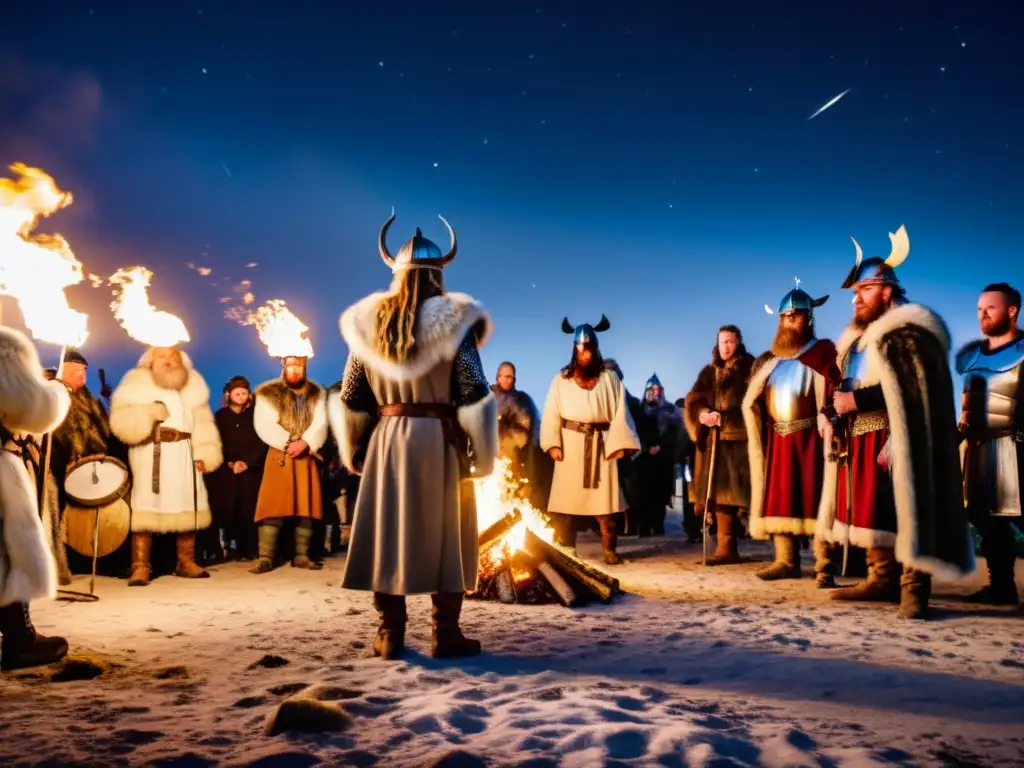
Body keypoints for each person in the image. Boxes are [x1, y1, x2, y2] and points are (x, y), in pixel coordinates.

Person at [330, 213, 497, 660]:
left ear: (395, 273)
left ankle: (390, 632)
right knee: (444, 532)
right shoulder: (456, 323)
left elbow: (351, 397)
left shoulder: (367, 324)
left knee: (390, 533)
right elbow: (475, 392)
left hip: (388, 441)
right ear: (439, 274)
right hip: (440, 443)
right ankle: (445, 633)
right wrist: (482, 452)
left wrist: (355, 448)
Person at [815, 225, 973, 618]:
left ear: (886, 290)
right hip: (862, 434)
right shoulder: (858, 340)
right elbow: (843, 383)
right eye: (854, 294)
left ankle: (913, 589)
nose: (856, 300)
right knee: (874, 512)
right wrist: (833, 412)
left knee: (909, 509)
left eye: (864, 290)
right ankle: (881, 578)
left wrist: (858, 399)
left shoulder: (908, 330)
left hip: (901, 434)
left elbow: (913, 388)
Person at [742, 282, 838, 582]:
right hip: (779, 441)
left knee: (818, 500)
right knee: (781, 500)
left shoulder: (823, 353)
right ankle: (786, 560)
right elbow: (754, 402)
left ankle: (825, 566)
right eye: (784, 317)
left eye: (794, 316)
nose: (788, 322)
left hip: (812, 439)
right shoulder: (770, 361)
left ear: (808, 318)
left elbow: (835, 389)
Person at [109, 346, 223, 586]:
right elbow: (121, 421)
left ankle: (185, 561)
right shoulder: (136, 381)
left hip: (185, 451)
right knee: (146, 505)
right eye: (162, 355)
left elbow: (202, 420)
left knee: (188, 503)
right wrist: (149, 413)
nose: (169, 360)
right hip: (151, 451)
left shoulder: (192, 383)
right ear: (152, 358)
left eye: (174, 355)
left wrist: (205, 450)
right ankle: (140, 566)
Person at [540, 316, 640, 564]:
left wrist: (619, 444)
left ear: (595, 348)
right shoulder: (560, 379)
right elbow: (551, 412)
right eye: (580, 348)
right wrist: (553, 444)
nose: (585, 352)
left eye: (588, 347)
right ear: (574, 349)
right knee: (566, 507)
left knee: (605, 507)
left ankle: (609, 550)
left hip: (601, 446)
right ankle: (568, 551)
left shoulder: (609, 379)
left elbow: (620, 412)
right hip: (570, 446)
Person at [0, 326, 71, 671]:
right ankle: (20, 640)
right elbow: (34, 410)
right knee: (9, 553)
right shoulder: (4, 350)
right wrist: (57, 391)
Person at [956, 282, 1023, 605]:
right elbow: (967, 405)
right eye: (980, 308)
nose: (983, 314)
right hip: (979, 449)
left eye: (991, 308)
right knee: (988, 521)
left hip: (1017, 445)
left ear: (1012, 311)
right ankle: (1002, 587)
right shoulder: (973, 356)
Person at [48, 347, 125, 582]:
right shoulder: (54, 393)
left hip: (90, 466)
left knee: (92, 513)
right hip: (60, 464)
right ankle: (60, 567)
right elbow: (55, 431)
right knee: (61, 516)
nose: (83, 376)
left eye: (85, 371)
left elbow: (104, 428)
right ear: (66, 370)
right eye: (78, 370)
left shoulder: (89, 398)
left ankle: (98, 562)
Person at [684, 325, 755, 565]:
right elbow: (694, 399)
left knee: (732, 496)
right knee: (715, 496)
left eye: (731, 341)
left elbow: (756, 404)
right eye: (722, 341)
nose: (726, 346)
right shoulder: (709, 372)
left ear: (739, 342)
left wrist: (727, 419)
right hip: (712, 443)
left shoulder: (750, 369)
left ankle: (729, 546)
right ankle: (723, 546)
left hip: (737, 443)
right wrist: (702, 414)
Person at [251, 356, 328, 573]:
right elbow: (263, 423)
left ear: (304, 368)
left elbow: (320, 422)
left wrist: (306, 442)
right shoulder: (268, 393)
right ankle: (266, 557)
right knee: (273, 505)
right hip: (280, 455)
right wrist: (287, 442)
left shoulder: (316, 393)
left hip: (305, 454)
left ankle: (302, 556)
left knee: (306, 506)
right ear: (283, 367)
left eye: (299, 366)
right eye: (291, 366)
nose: (294, 370)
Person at [206, 376, 266, 561]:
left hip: (250, 470)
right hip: (227, 470)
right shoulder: (220, 416)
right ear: (229, 395)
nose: (241, 396)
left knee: (248, 509)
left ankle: (249, 549)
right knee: (227, 508)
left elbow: (261, 441)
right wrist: (229, 462)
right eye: (237, 393)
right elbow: (215, 441)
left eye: (244, 393)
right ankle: (227, 547)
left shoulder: (255, 416)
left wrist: (248, 462)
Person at [491, 361, 549, 508]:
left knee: (516, 496)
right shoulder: (487, 397)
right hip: (491, 456)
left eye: (512, 377)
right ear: (498, 377)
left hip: (515, 457)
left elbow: (532, 428)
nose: (509, 380)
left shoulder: (522, 400)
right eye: (506, 376)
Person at [632, 374, 681, 536]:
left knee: (660, 495)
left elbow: (674, 433)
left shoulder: (668, 410)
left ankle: (658, 526)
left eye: (658, 389)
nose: (655, 393)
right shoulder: (638, 411)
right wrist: (646, 448)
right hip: (642, 459)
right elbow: (635, 432)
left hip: (662, 460)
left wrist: (662, 446)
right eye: (652, 389)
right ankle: (643, 528)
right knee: (642, 494)